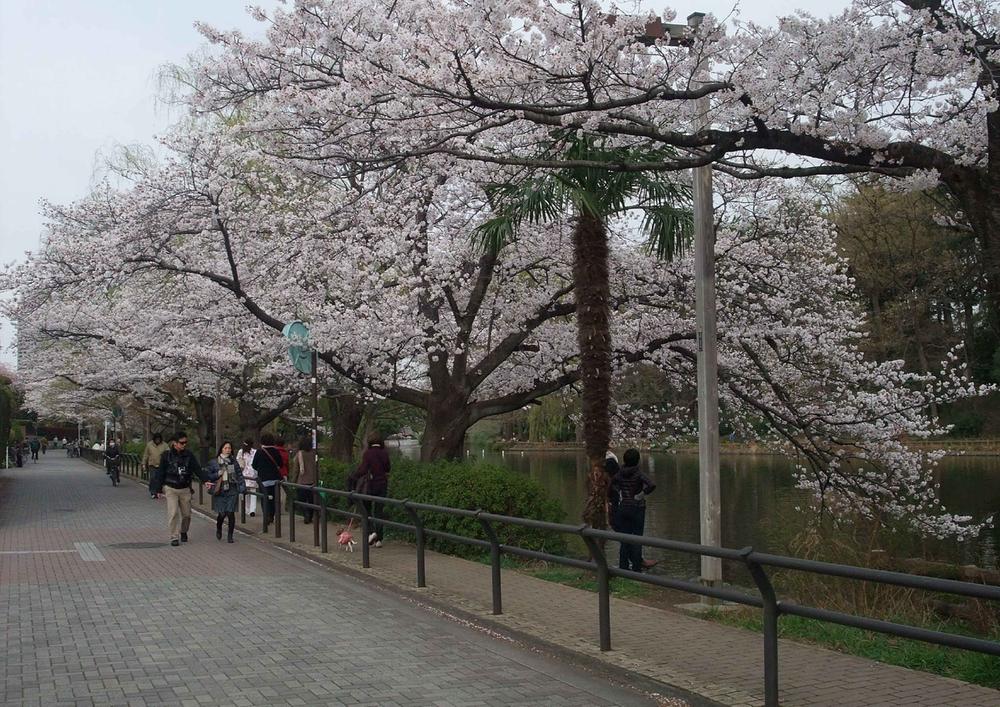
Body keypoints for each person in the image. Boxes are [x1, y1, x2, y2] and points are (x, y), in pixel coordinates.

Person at [149, 432, 211, 546]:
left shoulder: (189, 455)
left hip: (185, 488)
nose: (184, 445)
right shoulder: (166, 455)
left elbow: (197, 469)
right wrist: (157, 489)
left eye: (185, 442)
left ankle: (184, 531)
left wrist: (205, 480)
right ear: (175, 443)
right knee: (173, 513)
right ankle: (174, 536)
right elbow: (160, 472)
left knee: (187, 515)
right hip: (170, 488)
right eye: (182, 443)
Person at [610, 448, 657, 573]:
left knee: (624, 539)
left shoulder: (619, 473)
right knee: (637, 539)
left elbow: (612, 484)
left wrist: (619, 493)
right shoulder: (638, 473)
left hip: (623, 507)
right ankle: (636, 570)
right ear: (637, 461)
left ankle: (623, 568)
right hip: (637, 508)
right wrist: (641, 494)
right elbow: (651, 485)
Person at [348, 432, 390, 547]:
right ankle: (379, 540)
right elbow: (388, 468)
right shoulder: (384, 453)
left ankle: (372, 532)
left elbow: (363, 469)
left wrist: (353, 476)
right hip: (382, 485)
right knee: (379, 512)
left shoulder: (368, 454)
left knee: (366, 510)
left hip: (370, 486)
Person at [207, 441, 246, 543]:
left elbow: (239, 475)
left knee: (230, 512)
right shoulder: (214, 462)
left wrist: (242, 488)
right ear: (221, 449)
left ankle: (230, 535)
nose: (228, 450)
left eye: (229, 448)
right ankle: (219, 528)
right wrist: (217, 474)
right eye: (226, 448)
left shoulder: (233, 462)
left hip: (232, 489)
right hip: (220, 490)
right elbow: (209, 476)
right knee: (222, 514)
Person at [252, 433, 285, 525]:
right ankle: (272, 515)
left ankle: (266, 516)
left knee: (264, 498)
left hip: (264, 479)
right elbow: (281, 464)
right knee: (274, 499)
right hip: (275, 480)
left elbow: (254, 465)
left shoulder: (259, 452)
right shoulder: (276, 451)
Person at [292, 435, 318, 524]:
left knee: (301, 500)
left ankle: (305, 514)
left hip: (301, 481)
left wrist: (293, 481)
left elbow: (296, 470)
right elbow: (317, 468)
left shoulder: (299, 454)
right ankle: (310, 516)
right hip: (312, 481)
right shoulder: (314, 454)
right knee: (311, 500)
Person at [236, 439, 258, 517]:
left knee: (247, 492)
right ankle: (251, 510)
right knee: (252, 493)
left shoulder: (241, 452)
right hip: (251, 475)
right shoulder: (255, 452)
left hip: (245, 475)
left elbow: (238, 463)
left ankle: (249, 510)